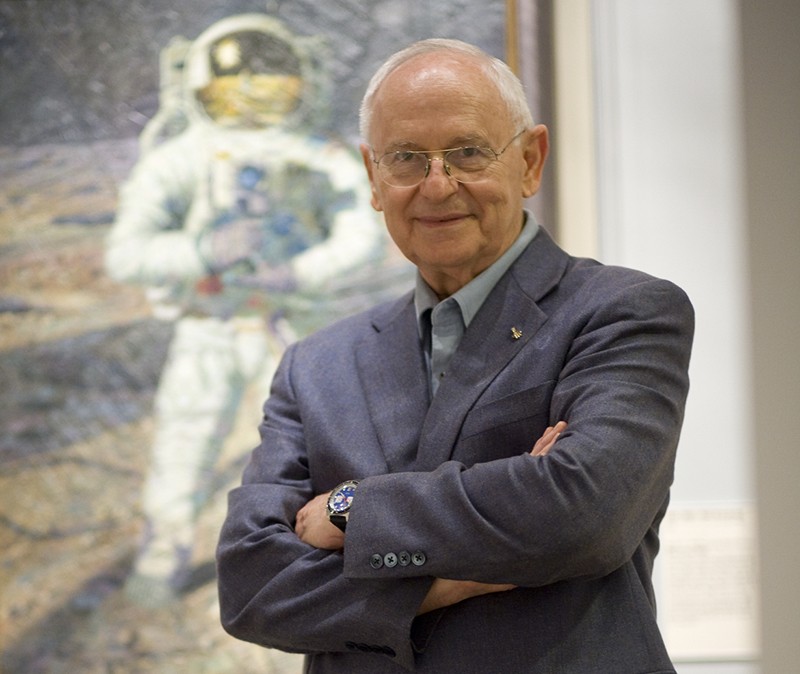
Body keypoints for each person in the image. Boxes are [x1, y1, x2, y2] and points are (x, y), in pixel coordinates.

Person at [216, 38, 694, 673]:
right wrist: (464, 575)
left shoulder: (623, 313)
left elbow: (584, 512)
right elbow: (250, 587)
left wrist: (348, 507)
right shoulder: (317, 365)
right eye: (406, 159)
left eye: (468, 152)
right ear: (373, 179)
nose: (437, 186)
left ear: (530, 160)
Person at [105, 14, 384, 607]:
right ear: (201, 88)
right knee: (185, 443)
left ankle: (316, 560)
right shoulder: (181, 159)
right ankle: (162, 556)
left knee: (318, 448)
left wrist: (297, 272)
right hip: (210, 328)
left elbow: (365, 233)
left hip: (290, 329)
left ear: (297, 83)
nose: (254, 103)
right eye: (237, 90)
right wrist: (203, 250)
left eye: (269, 87)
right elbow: (126, 253)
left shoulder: (319, 156)